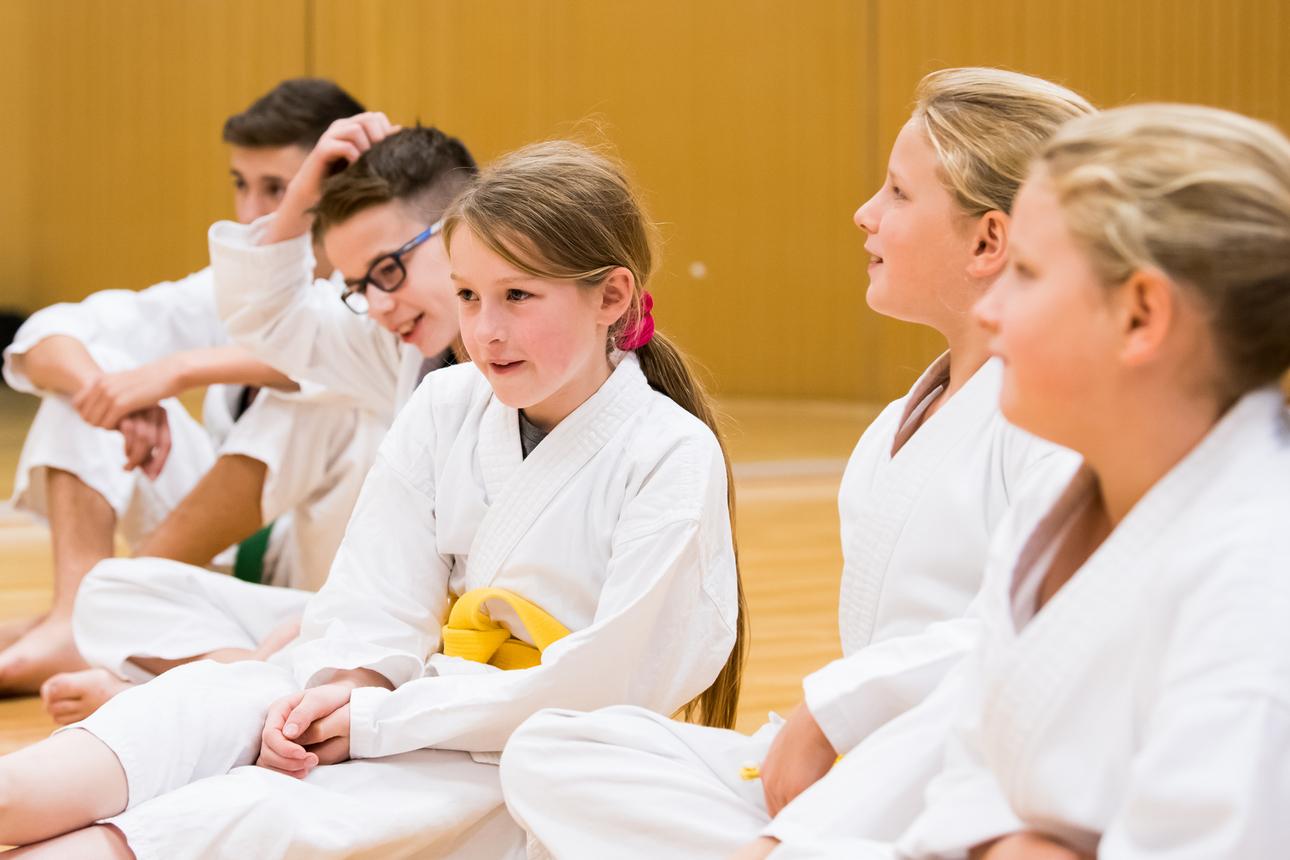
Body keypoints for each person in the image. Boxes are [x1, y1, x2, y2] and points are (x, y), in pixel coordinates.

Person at [0, 140, 746, 860]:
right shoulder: (448, 402)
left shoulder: (670, 455)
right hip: (400, 693)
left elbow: (598, 687)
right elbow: (374, 597)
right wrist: (343, 689)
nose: (484, 330)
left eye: (518, 296)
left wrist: (376, 720)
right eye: (467, 296)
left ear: (611, 296)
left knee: (248, 813)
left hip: (514, 759)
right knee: (191, 710)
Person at [498, 68, 1091, 859]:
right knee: (553, 753)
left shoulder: (1051, 422)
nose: (865, 215)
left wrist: (834, 711)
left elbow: (1023, 642)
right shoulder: (897, 423)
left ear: (988, 241)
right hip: (864, 760)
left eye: (897, 195)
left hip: (961, 779)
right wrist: (824, 734)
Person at [1, 79, 381, 701]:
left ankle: (96, 621)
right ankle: (75, 614)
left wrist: (180, 370)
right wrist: (110, 391)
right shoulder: (232, 288)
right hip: (224, 556)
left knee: (313, 401)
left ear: (330, 185)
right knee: (92, 379)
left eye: (277, 189)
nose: (252, 211)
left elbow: (340, 358)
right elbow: (52, 331)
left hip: (324, 568)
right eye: (241, 183)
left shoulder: (380, 290)